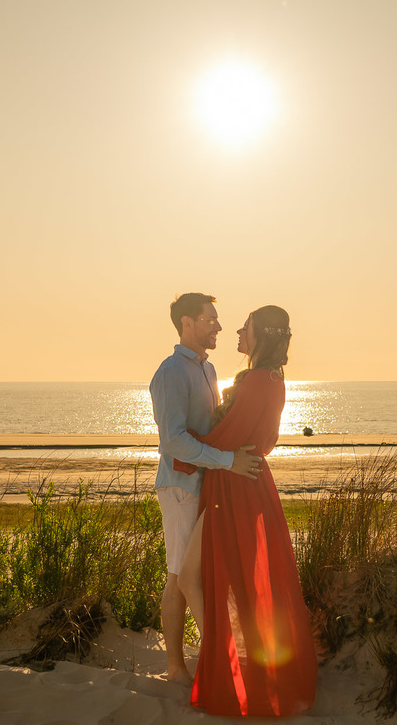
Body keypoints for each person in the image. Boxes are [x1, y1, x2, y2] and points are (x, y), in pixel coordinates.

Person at [176, 305, 317, 717]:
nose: (238, 331)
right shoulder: (273, 379)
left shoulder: (257, 380)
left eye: (246, 327)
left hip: (235, 488)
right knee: (244, 582)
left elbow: (227, 437)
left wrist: (183, 450)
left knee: (202, 579)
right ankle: (229, 660)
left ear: (262, 336)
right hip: (247, 483)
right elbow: (264, 440)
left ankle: (225, 663)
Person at [150, 292, 262, 687]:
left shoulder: (208, 370)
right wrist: (229, 460)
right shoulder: (170, 373)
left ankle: (211, 655)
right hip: (181, 485)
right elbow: (173, 441)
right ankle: (177, 668)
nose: (217, 326)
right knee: (179, 575)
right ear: (187, 324)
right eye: (209, 319)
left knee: (200, 572)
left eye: (217, 320)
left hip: (206, 484)